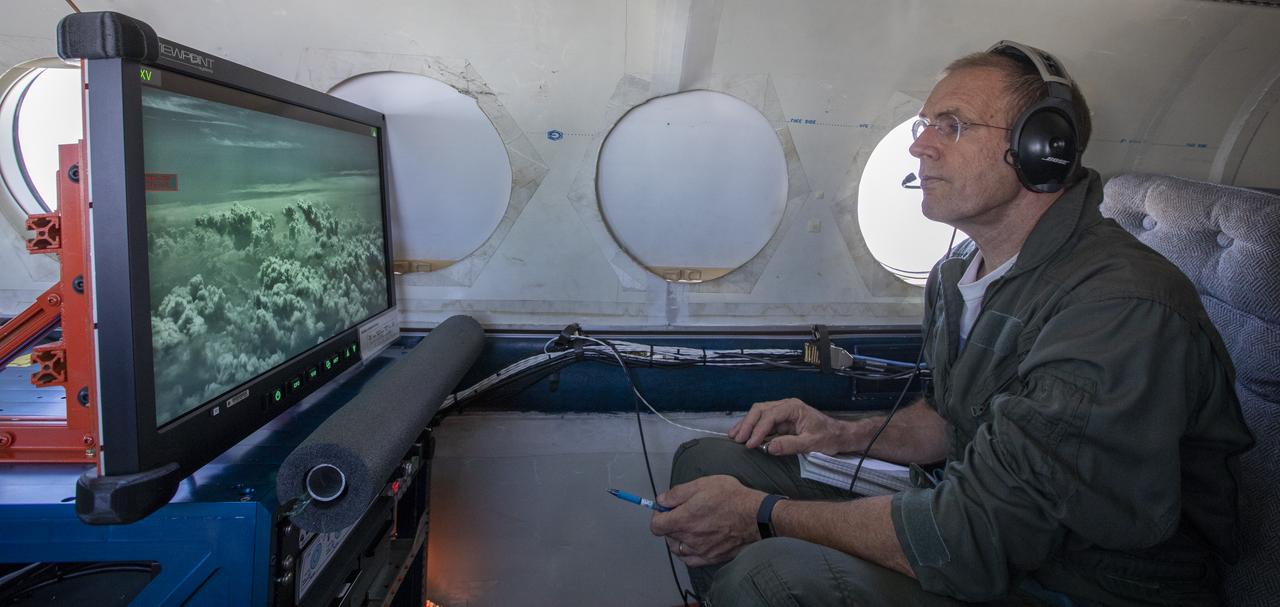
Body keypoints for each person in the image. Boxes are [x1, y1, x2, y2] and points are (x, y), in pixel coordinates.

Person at [649, 42, 1254, 607]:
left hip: (1092, 578)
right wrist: (839, 433)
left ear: (1043, 147)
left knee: (774, 572)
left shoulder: (1120, 309)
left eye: (953, 125)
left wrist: (762, 512)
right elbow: (951, 418)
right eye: (923, 125)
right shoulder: (960, 272)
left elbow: (976, 538)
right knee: (710, 466)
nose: (919, 146)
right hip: (983, 515)